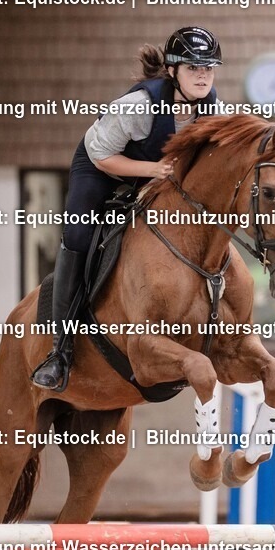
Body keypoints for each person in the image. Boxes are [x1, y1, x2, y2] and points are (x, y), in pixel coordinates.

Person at [32, 26, 223, 391]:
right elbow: (103, 156)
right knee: (78, 235)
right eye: (193, 68)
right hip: (101, 167)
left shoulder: (213, 108)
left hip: (156, 175)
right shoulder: (139, 106)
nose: (202, 76)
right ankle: (60, 350)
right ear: (172, 71)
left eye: (208, 69)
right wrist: (152, 170)